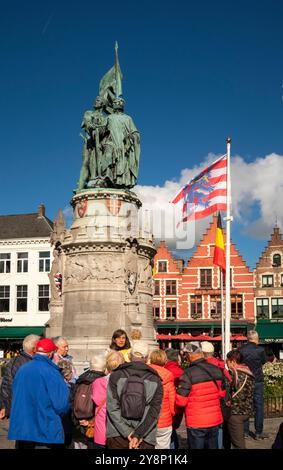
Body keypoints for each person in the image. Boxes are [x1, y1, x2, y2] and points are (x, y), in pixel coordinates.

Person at [8, 338, 70, 449]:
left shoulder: (22, 369)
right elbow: (62, 405)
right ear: (51, 353)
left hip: (23, 430)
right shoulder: (52, 372)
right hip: (45, 431)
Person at [106, 340, 163, 449]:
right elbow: (154, 412)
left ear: (130, 356)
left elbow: (112, 407)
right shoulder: (155, 380)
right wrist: (138, 435)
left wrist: (127, 432)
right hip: (145, 436)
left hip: (117, 434)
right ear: (147, 358)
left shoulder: (116, 375)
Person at [176, 341, 226, 449]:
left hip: (196, 421)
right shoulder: (217, 370)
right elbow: (222, 394)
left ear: (189, 355)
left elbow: (181, 401)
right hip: (214, 419)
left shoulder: (187, 373)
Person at [102, 97, 140, 188]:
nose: (117, 104)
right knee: (108, 154)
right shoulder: (109, 118)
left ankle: (121, 182)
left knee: (123, 162)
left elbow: (135, 132)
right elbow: (102, 130)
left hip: (124, 144)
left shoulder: (128, 118)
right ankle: (107, 176)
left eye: (119, 103)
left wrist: (132, 137)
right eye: (115, 102)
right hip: (112, 142)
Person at [0, 334, 40, 420]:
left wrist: (5, 407)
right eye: (40, 346)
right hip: (25, 409)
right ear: (34, 349)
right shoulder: (21, 362)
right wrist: (5, 407)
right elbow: (7, 385)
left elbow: (6, 385)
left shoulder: (15, 361)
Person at [71, 354, 106, 449]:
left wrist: (77, 421)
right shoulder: (103, 381)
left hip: (78, 423)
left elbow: (72, 400)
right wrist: (90, 422)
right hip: (94, 426)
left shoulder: (80, 379)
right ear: (104, 367)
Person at [92, 351, 125, 448]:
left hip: (100, 431)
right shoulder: (124, 382)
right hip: (119, 432)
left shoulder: (97, 382)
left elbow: (96, 401)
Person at [238, 330, 268, 439]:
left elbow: (238, 362)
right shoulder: (260, 350)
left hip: (245, 379)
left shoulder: (241, 350)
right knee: (258, 406)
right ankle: (258, 432)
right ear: (256, 338)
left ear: (247, 338)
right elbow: (264, 361)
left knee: (246, 405)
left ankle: (245, 432)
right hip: (257, 379)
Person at [226, 350, 255, 449]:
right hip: (246, 410)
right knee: (237, 440)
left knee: (238, 444)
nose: (227, 363)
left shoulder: (233, 373)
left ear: (233, 361)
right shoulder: (248, 372)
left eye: (228, 361)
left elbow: (226, 391)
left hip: (235, 412)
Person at [149, 349, 176, 449]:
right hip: (165, 421)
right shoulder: (168, 378)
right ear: (165, 361)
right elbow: (172, 404)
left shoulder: (145, 374)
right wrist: (171, 414)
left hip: (147, 420)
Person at [164, 348, 184, 449]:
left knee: (168, 432)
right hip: (179, 405)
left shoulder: (165, 371)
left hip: (168, 407)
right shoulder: (181, 371)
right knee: (172, 430)